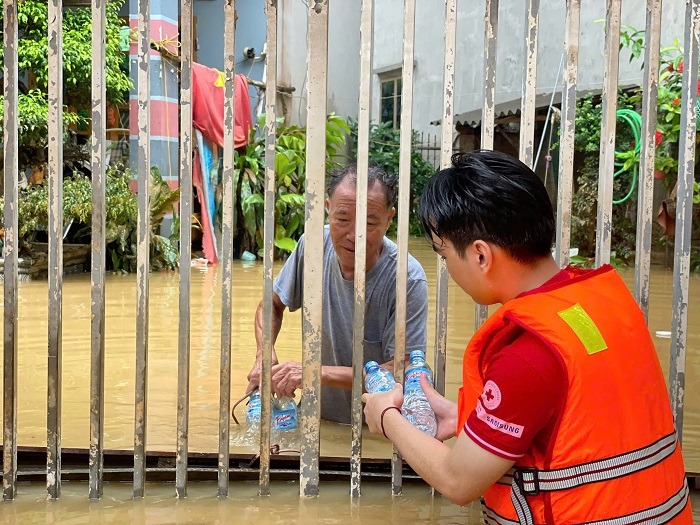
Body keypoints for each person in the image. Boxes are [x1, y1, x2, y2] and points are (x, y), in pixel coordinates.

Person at [362, 150, 691, 523]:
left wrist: (386, 415)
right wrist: (465, 420)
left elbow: (457, 482)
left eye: (444, 255)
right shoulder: (601, 305)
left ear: (481, 256)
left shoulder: (528, 354)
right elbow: (580, 421)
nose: (447, 267)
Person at [247, 165, 429, 425]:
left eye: (370, 222)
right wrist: (264, 355)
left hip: (378, 431)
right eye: (342, 219)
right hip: (316, 422)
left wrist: (313, 373)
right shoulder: (312, 247)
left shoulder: (407, 278)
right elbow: (271, 305)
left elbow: (403, 373)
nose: (354, 235)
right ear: (328, 208)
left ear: (390, 219)